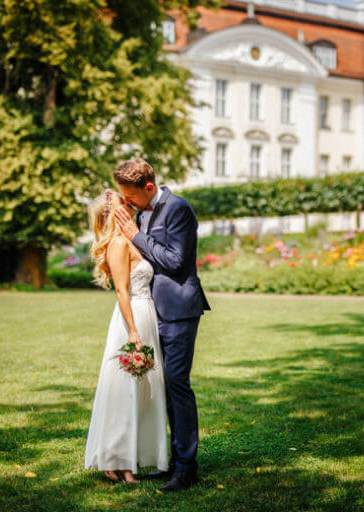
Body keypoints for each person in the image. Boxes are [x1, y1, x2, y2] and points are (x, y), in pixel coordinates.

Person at [112, 158, 211, 493]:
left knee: (177, 385)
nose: (127, 202)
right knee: (164, 388)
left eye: (131, 196)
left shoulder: (178, 209)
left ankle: (187, 468)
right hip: (155, 311)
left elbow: (174, 261)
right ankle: (172, 461)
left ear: (149, 188)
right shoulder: (140, 211)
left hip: (180, 310)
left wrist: (135, 235)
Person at [83, 188, 169, 484]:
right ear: (112, 213)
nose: (130, 205)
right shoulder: (118, 244)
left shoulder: (133, 240)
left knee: (145, 388)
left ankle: (135, 456)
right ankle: (117, 461)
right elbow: (121, 291)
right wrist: (132, 331)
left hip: (147, 314)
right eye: (124, 203)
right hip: (131, 317)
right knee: (125, 387)